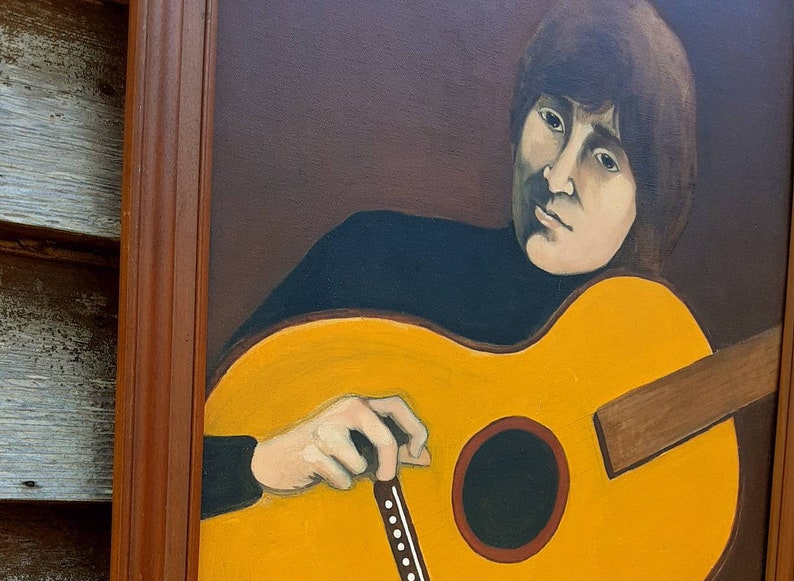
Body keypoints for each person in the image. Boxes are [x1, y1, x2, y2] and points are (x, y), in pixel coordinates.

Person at [201, 0, 696, 520]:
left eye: (604, 157)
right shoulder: (372, 257)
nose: (555, 178)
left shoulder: (636, 371)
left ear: (652, 199)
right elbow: (178, 464)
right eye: (552, 118)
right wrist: (261, 464)